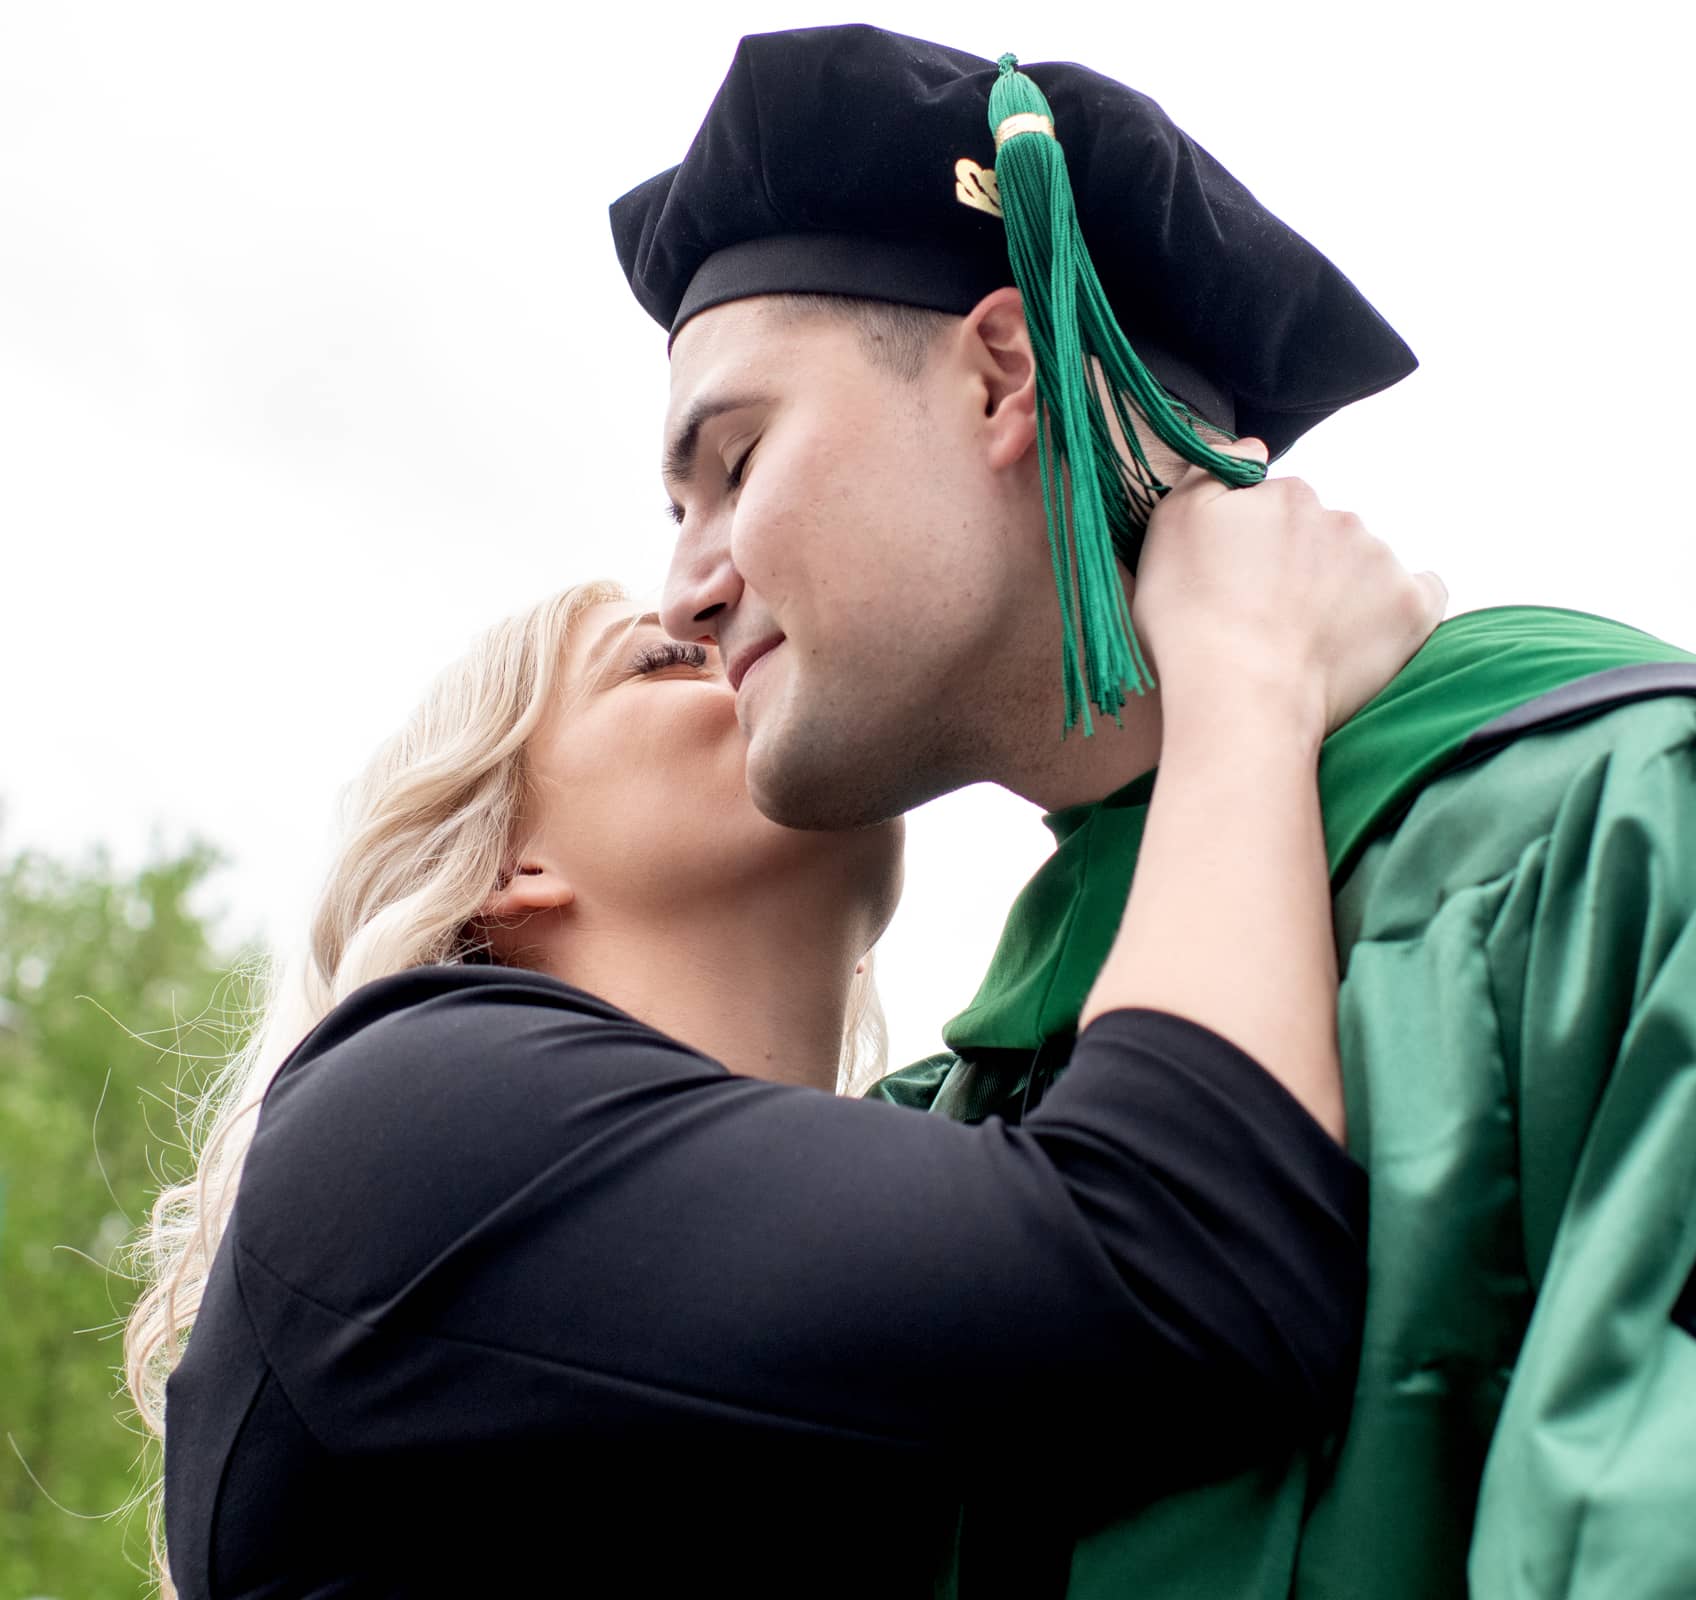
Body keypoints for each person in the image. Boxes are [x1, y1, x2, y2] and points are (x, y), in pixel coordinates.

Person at [617, 23, 1696, 1598]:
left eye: (730, 463)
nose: (686, 587)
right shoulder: (965, 1109)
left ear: (1006, 373)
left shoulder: (1648, 826)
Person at [127, 464, 1447, 1597]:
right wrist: (1249, 665)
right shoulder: (408, 1115)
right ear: (508, 868)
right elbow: (1185, 1255)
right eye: (660, 660)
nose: (727, 637)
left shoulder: (908, 1165)